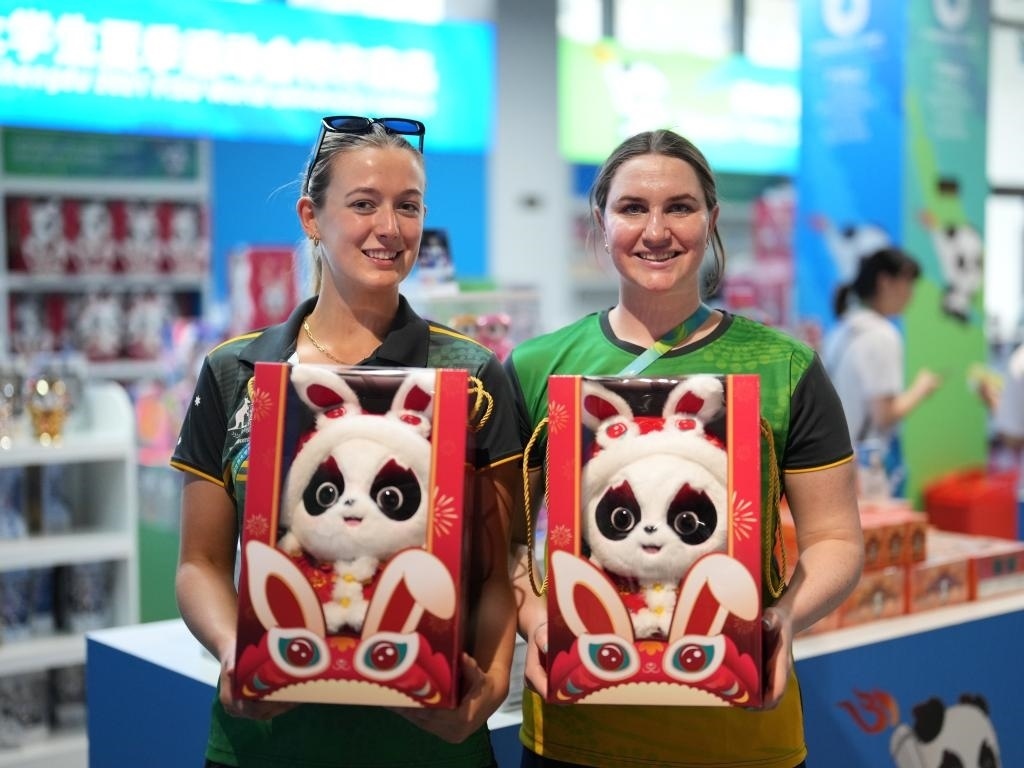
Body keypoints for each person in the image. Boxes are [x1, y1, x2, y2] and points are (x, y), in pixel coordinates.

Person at [504, 129, 864, 768]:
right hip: (577, 731)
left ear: (711, 219)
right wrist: (536, 620)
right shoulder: (537, 367)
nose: (656, 230)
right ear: (601, 221)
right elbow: (499, 542)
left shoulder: (784, 367)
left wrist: (780, 620)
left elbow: (835, 539)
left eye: (680, 207)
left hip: (739, 734)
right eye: (632, 208)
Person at [170, 116, 522, 768]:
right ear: (312, 217)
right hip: (267, 743)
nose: (388, 228)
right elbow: (201, 563)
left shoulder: (471, 375)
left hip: (429, 745)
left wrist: (492, 686)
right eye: (363, 204)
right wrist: (233, 650)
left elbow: (496, 574)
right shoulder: (236, 372)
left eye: (408, 207)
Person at [822, 247, 942, 497]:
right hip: (864, 470)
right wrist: (921, 388)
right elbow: (885, 414)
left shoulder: (842, 329)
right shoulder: (882, 335)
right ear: (885, 282)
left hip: (832, 463)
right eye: (907, 283)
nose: (911, 294)